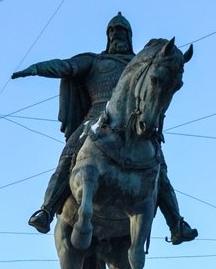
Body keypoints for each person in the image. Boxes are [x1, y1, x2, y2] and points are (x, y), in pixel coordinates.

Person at [12, 13, 198, 245]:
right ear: (107, 36)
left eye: (121, 32)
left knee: (159, 166)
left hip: (134, 121)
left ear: (129, 36)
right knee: (69, 154)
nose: (116, 35)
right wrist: (37, 68)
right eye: (112, 31)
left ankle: (176, 223)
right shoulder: (94, 60)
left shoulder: (139, 64)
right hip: (95, 118)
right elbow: (66, 67)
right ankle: (47, 210)